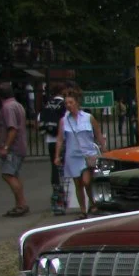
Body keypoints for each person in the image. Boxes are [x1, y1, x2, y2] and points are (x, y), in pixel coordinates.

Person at [54, 87, 108, 218]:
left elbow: (98, 135)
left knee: (86, 181)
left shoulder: (89, 118)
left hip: (88, 155)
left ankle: (93, 203)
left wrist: (105, 150)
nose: (68, 105)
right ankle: (83, 210)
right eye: (66, 103)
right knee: (78, 184)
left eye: (71, 102)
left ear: (77, 103)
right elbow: (60, 140)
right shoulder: (64, 121)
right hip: (72, 156)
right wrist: (57, 156)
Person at [0, 80, 29, 216]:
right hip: (19, 146)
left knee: (7, 175)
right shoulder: (17, 105)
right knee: (13, 174)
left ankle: (21, 204)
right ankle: (19, 204)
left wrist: (5, 147)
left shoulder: (8, 108)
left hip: (12, 148)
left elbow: (12, 129)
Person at [39, 86, 68, 215]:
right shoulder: (64, 105)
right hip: (62, 141)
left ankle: (57, 198)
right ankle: (66, 198)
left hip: (50, 141)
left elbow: (39, 121)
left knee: (54, 168)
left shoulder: (47, 105)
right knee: (65, 170)